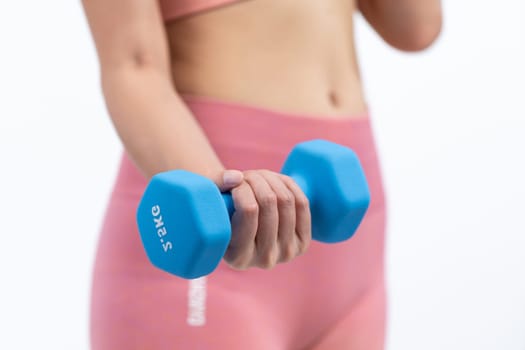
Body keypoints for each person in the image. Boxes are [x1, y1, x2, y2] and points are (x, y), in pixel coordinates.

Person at [83, 0, 441, 349]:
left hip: (349, 239)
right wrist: (217, 203)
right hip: (211, 223)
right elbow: (133, 66)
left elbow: (416, 27)